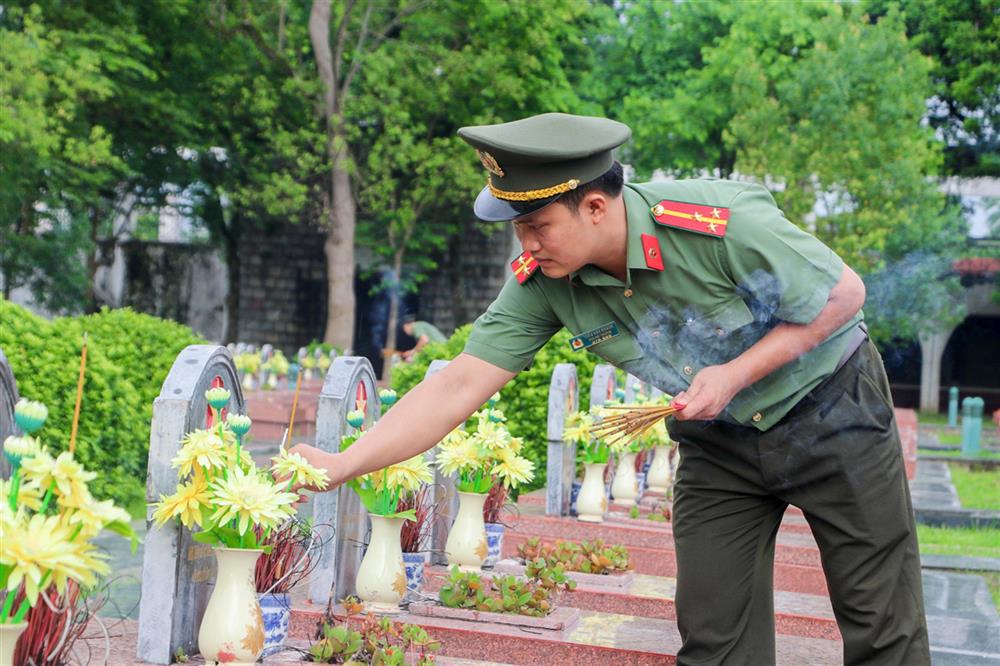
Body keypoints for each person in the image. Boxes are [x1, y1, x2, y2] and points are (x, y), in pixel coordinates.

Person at [284, 113, 930, 665]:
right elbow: (458, 384)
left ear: (595, 206)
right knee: (712, 637)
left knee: (880, 626)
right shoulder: (544, 280)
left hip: (832, 412)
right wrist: (345, 464)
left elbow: (844, 295)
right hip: (720, 444)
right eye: (518, 230)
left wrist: (735, 373)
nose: (527, 245)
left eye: (537, 226)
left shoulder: (717, 221)